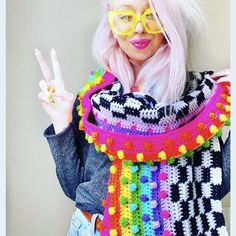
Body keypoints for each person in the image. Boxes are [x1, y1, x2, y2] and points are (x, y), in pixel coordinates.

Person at [35, 0, 231, 235]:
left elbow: (215, 187)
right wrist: (61, 120)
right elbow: (74, 187)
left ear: (168, 22)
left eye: (152, 15)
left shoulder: (198, 98)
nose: (139, 28)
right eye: (126, 17)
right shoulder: (96, 96)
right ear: (111, 25)